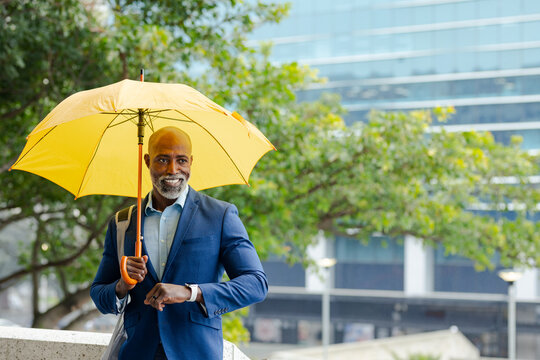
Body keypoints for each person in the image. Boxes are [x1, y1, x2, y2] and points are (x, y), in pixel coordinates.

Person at [91, 126, 268, 360]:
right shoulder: (123, 223)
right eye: (162, 160)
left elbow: (255, 284)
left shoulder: (220, 215)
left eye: (181, 160)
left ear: (191, 162)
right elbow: (99, 293)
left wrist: (190, 292)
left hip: (196, 353)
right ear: (147, 161)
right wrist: (122, 286)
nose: (173, 169)